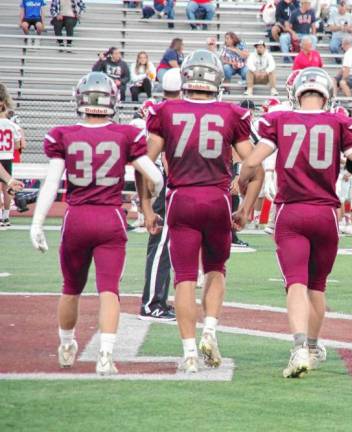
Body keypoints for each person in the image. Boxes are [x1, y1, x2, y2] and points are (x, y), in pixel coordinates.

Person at [239, 67, 352, 378]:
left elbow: (250, 161)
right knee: (317, 286)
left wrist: (242, 181)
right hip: (326, 213)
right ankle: (313, 348)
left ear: (297, 92)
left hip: (291, 212)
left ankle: (299, 346)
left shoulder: (279, 119)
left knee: (296, 284)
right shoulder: (338, 121)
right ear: (328, 93)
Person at [29, 72, 163, 375]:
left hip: (76, 217)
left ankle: (66, 344)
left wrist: (36, 223)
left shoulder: (64, 134)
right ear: (111, 100)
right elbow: (154, 176)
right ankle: (105, 355)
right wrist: (149, 202)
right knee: (109, 290)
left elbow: (52, 183)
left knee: (70, 287)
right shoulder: (125, 134)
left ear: (81, 99)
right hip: (109, 217)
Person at [139, 50, 264, 373]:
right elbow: (255, 167)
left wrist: (145, 206)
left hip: (180, 198)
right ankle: (209, 329)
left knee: (183, 279)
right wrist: (247, 208)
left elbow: (143, 162)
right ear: (217, 80)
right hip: (217, 198)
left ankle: (190, 352)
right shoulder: (231, 113)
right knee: (216, 269)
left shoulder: (165, 110)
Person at [137, 68, 182, 322]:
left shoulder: (158, 109)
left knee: (164, 242)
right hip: (160, 180)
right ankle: (152, 302)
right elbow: (159, 157)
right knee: (162, 242)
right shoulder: (170, 113)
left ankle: (157, 299)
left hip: (153, 178)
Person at [0, 86, 23, 227]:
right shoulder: (11, 124)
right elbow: (19, 145)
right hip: (7, 156)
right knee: (7, 188)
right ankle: (6, 216)